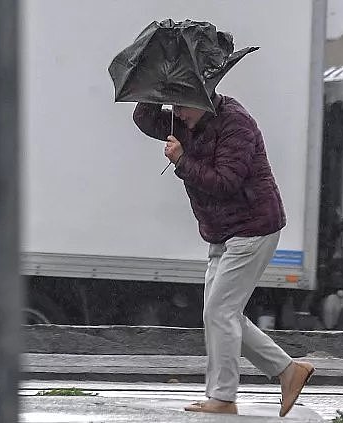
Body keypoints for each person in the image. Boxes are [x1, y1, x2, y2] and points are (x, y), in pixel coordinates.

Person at [133, 94, 315, 417]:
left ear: (202, 98)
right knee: (219, 315)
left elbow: (225, 183)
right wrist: (153, 92)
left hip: (254, 227)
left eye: (181, 105)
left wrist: (182, 161)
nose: (177, 114)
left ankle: (223, 397)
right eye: (172, 105)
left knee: (220, 313)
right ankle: (288, 371)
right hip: (221, 232)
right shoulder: (184, 120)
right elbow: (145, 121)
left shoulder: (235, 123)